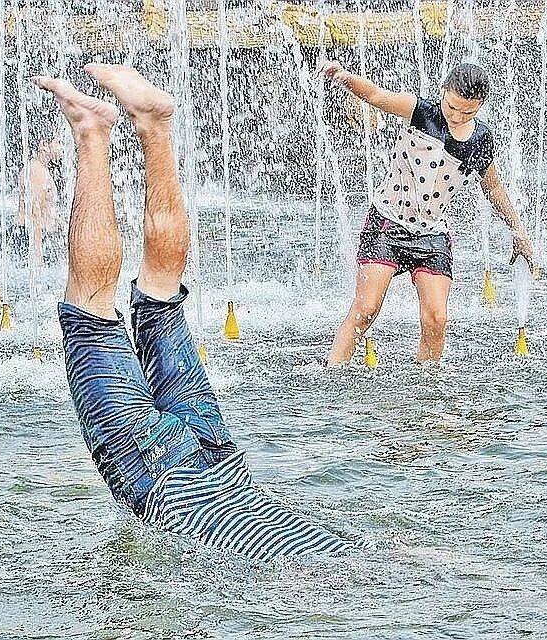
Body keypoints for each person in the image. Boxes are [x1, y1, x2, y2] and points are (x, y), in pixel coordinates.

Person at [33, 65, 350, 561]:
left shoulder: (343, 552)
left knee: (160, 297)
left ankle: (155, 128)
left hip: (226, 462)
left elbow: (403, 558)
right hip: (166, 483)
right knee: (90, 309)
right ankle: (91, 133)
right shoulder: (312, 575)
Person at [323, 61, 536, 365]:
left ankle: (429, 388)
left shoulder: (481, 140)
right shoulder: (421, 112)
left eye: (468, 112)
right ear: (443, 92)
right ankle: (332, 377)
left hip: (433, 233)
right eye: (452, 107)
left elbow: (493, 189)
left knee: (436, 318)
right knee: (366, 310)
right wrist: (343, 77)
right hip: (387, 223)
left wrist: (518, 230)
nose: (457, 116)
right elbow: (375, 96)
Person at [17, 132, 64, 266]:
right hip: (33, 238)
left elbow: (45, 208)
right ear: (44, 145)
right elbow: (34, 213)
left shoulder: (40, 168)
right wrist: (37, 255)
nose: (61, 148)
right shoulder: (36, 171)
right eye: (58, 142)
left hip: (38, 236)